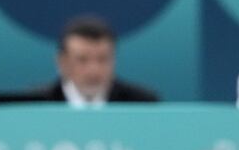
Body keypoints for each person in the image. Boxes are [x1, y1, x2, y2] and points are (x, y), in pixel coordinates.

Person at [29, 15, 158, 106]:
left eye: (102, 59)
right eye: (82, 60)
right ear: (62, 62)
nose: (94, 70)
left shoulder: (141, 104)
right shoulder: (34, 105)